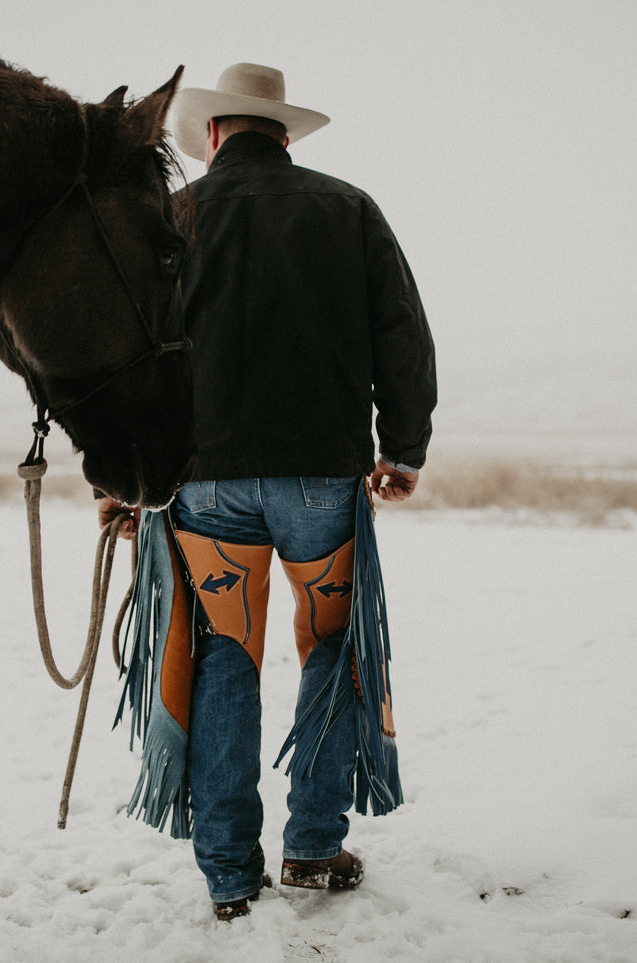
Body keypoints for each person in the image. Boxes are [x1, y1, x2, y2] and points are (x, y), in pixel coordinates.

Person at [99, 62, 436, 921]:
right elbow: (401, 329)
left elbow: (123, 351)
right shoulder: (347, 207)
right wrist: (401, 447)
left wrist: (119, 475)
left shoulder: (171, 216)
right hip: (322, 474)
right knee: (329, 647)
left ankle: (226, 871)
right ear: (283, 133)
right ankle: (315, 848)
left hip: (200, 480)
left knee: (224, 655)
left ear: (213, 134)